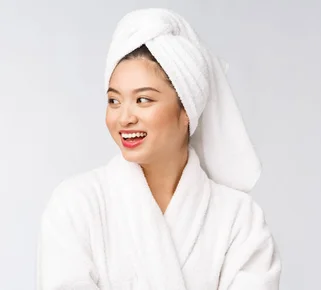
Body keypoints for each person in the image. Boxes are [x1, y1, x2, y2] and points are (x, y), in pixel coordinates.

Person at [36, 8, 281, 290]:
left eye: (143, 100)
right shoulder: (77, 204)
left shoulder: (239, 218)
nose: (124, 117)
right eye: (114, 101)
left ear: (186, 109)